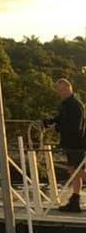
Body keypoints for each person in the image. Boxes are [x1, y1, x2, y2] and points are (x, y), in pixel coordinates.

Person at [44, 78, 86, 212]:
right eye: (58, 90)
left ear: (68, 88)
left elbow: (74, 127)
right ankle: (75, 200)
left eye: (61, 90)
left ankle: (75, 200)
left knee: (77, 171)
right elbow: (61, 119)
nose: (59, 93)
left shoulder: (74, 104)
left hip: (77, 144)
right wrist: (48, 122)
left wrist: (56, 128)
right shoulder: (66, 104)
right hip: (71, 143)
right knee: (74, 171)